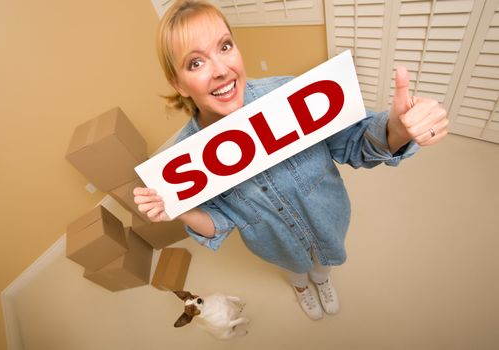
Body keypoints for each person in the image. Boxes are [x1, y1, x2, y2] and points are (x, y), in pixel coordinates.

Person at [134, 0, 448, 320]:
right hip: (275, 245)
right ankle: (300, 286)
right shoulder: (185, 159)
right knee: (296, 268)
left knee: (323, 262)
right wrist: (179, 207)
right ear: (177, 83)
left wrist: (397, 128)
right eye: (196, 63)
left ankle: (322, 279)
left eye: (225, 46)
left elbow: (356, 145)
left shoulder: (291, 93)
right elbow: (220, 222)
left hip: (329, 221)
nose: (220, 70)